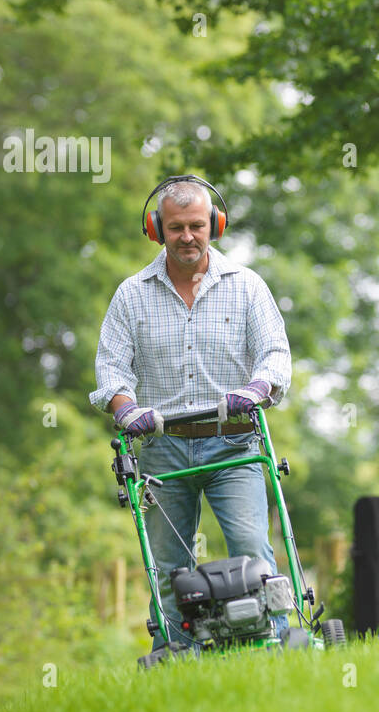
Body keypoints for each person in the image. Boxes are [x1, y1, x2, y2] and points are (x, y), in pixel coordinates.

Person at [90, 174, 292, 651]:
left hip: (234, 441)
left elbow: (276, 355)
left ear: (215, 225)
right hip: (163, 450)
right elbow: (110, 372)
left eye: (197, 226)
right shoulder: (131, 294)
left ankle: (274, 646)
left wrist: (257, 387)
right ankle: (175, 652)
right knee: (167, 566)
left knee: (251, 548)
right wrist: (127, 410)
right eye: (176, 227)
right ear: (156, 228)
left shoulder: (246, 287)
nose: (187, 237)